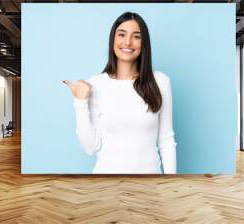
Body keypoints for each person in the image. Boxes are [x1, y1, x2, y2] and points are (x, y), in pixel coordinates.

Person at [63, 12, 177, 174]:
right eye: (121, 34)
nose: (128, 42)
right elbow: (90, 148)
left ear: (144, 43)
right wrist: (80, 103)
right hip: (106, 184)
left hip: (150, 185)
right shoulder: (95, 84)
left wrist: (172, 184)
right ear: (113, 40)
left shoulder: (160, 82)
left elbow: (166, 140)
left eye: (136, 36)